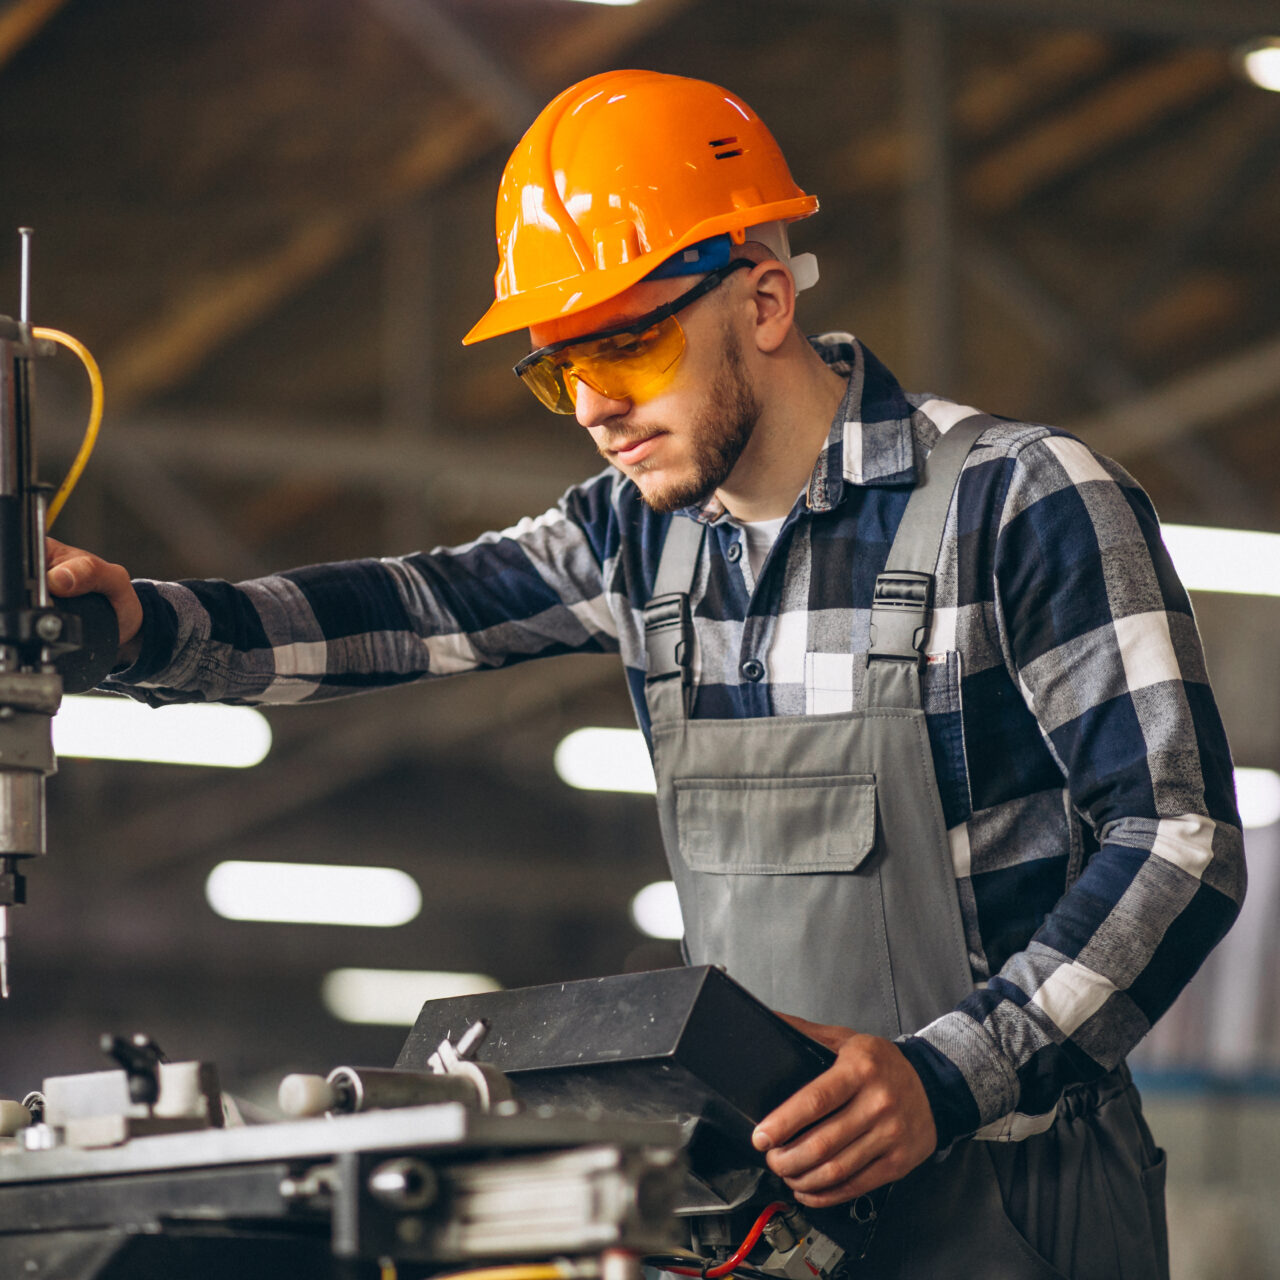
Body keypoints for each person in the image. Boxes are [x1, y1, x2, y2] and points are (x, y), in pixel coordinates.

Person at [48, 70, 1243, 1277]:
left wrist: (945, 1073)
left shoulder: (1017, 500)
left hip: (1016, 1200)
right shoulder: (634, 536)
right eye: (556, 366)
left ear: (764, 298)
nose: (591, 405)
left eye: (626, 342)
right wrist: (148, 623)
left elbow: (1177, 841)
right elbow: (414, 605)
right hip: (764, 1216)